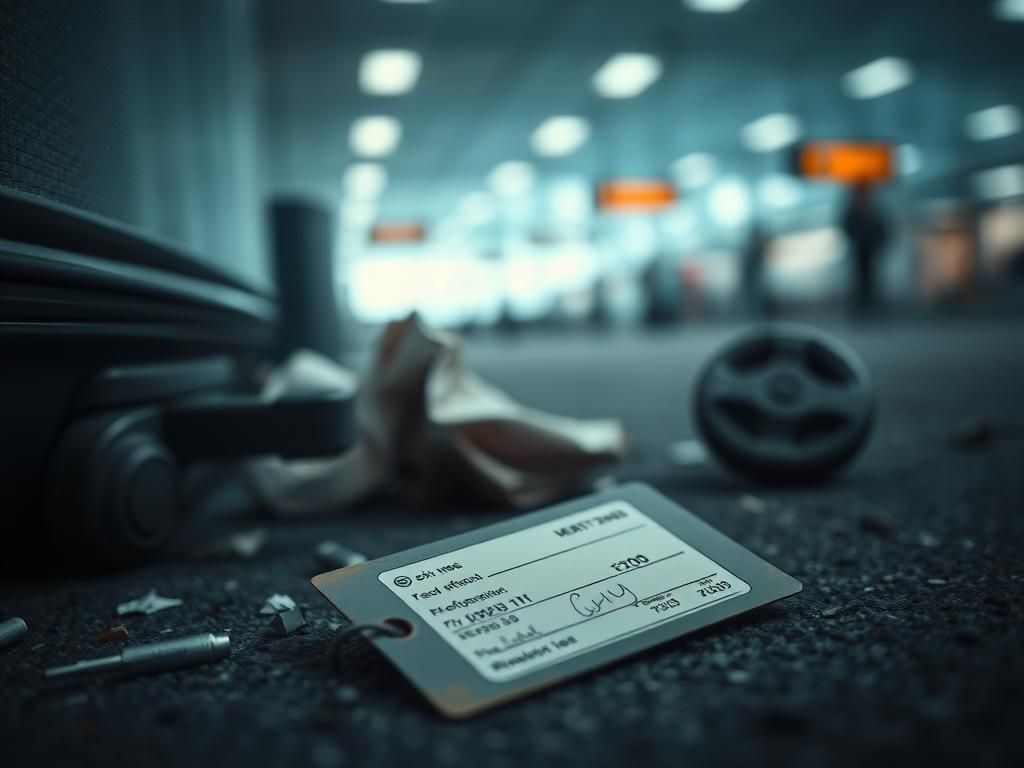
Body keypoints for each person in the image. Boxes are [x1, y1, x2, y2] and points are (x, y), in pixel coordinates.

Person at [840, 183, 890, 312]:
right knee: (860, 278)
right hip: (859, 249)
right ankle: (861, 305)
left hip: (871, 249)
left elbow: (882, 228)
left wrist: (880, 241)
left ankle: (870, 304)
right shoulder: (854, 209)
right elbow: (847, 227)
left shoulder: (873, 209)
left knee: (872, 278)